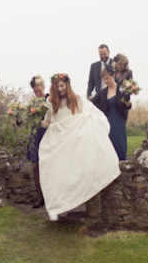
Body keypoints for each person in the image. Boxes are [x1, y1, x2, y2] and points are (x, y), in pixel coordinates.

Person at [39, 73, 121, 221]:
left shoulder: (76, 100)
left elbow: (79, 118)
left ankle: (71, 204)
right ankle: (57, 207)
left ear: (67, 85)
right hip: (57, 140)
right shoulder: (50, 103)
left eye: (62, 86)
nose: (60, 89)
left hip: (72, 140)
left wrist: (87, 120)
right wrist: (36, 120)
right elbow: (47, 122)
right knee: (57, 172)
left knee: (72, 171)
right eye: (57, 87)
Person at [91, 66, 132, 161]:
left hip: (119, 119)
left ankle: (122, 161)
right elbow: (92, 103)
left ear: (113, 76)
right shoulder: (103, 92)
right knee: (109, 142)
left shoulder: (122, 89)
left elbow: (128, 105)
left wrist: (127, 103)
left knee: (119, 141)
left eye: (107, 78)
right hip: (107, 120)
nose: (105, 81)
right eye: (104, 79)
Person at [26, 75, 48, 209]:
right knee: (35, 166)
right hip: (35, 134)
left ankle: (51, 196)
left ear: (44, 87)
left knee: (48, 165)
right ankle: (40, 197)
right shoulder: (31, 103)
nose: (37, 94)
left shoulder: (49, 99)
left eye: (39, 91)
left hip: (47, 133)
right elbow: (25, 119)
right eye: (35, 92)